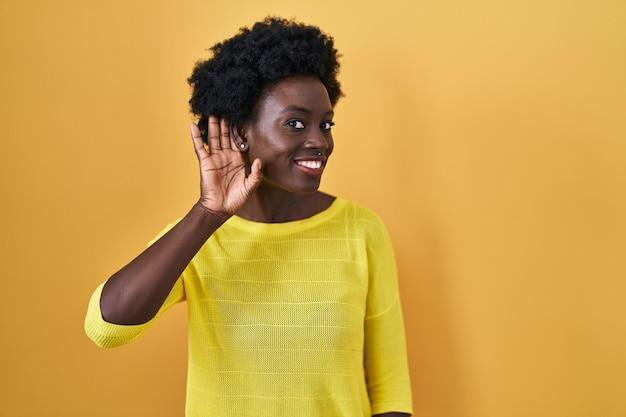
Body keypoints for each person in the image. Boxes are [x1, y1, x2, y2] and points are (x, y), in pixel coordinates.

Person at [84, 16, 413, 417]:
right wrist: (207, 215)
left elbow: (389, 389)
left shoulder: (361, 230)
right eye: (295, 123)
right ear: (241, 133)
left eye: (325, 124)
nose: (320, 141)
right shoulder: (204, 236)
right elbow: (107, 326)